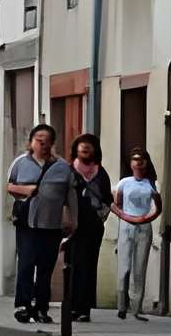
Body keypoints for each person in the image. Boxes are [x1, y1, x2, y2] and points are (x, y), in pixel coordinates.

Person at [7, 123, 69, 323]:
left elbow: (70, 194)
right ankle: (23, 305)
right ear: (31, 142)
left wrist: (70, 219)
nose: (42, 144)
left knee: (45, 267)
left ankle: (41, 307)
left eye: (46, 141)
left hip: (51, 224)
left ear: (52, 143)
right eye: (38, 140)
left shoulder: (62, 166)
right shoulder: (20, 163)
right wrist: (27, 190)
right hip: (27, 222)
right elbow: (10, 186)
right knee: (26, 264)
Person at [62, 132, 111, 323]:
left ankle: (84, 309)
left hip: (93, 227)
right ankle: (72, 306)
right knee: (72, 264)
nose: (85, 148)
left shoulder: (101, 172)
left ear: (95, 151)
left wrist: (100, 217)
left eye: (89, 146)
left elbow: (108, 199)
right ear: (76, 149)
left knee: (89, 266)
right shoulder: (69, 170)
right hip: (73, 225)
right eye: (82, 145)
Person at [111, 150, 162, 320]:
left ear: (147, 163)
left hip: (144, 226)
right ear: (131, 163)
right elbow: (116, 203)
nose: (138, 163)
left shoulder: (151, 184)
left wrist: (147, 217)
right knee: (124, 266)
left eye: (142, 160)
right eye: (135, 160)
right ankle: (121, 305)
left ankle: (137, 306)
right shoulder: (124, 182)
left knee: (139, 268)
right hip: (126, 225)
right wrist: (125, 216)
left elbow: (157, 206)